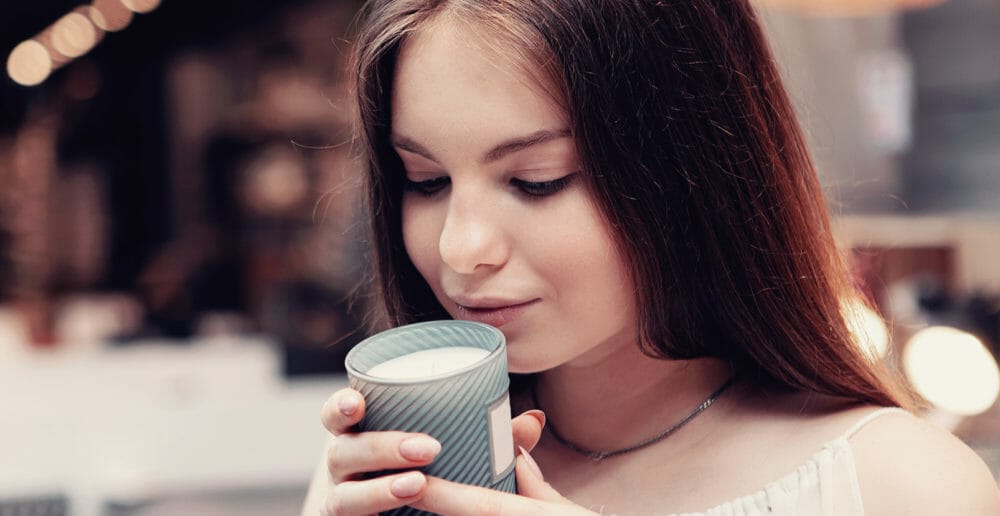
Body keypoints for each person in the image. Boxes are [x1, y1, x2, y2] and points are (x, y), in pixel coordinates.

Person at [302, 0, 1000, 514]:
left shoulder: (899, 488)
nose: (460, 248)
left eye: (537, 180)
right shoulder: (401, 477)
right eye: (425, 181)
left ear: (688, 168)